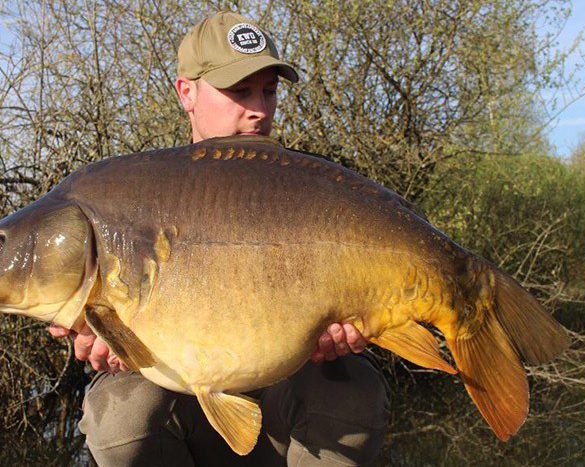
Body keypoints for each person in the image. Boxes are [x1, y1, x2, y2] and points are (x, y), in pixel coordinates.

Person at [49, 11, 389, 466]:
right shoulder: (138, 193)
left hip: (285, 400)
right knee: (119, 418)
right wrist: (107, 337)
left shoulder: (309, 190)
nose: (260, 109)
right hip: (184, 404)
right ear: (186, 92)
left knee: (353, 391)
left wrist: (349, 330)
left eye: (269, 90)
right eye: (240, 90)